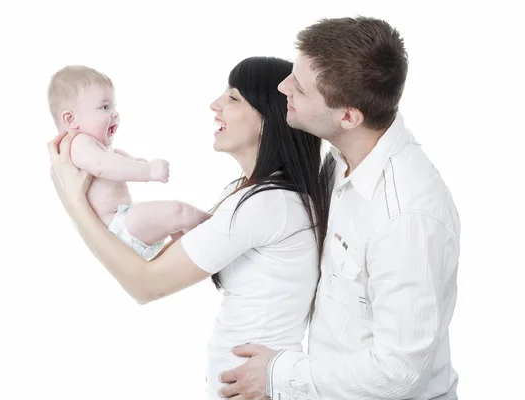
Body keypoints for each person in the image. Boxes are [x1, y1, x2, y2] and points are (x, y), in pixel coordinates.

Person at [47, 56, 330, 399]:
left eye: (233, 98)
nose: (215, 105)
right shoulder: (247, 194)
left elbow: (144, 284)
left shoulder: (267, 204)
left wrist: (75, 204)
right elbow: (152, 265)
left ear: (266, 120)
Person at [217, 16, 461, 400]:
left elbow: (397, 372)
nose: (282, 88)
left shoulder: (406, 217)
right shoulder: (340, 160)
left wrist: (277, 374)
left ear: (349, 116)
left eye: (298, 87)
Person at [47, 65, 211, 261]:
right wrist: (147, 170)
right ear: (70, 118)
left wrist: (135, 161)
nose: (115, 113)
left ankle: (208, 247)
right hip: (117, 228)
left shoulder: (94, 146)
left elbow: (113, 159)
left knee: (178, 223)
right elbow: (103, 166)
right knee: (179, 211)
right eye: (104, 107)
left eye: (114, 106)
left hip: (124, 224)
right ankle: (224, 229)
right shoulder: (76, 143)